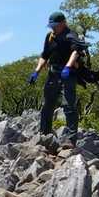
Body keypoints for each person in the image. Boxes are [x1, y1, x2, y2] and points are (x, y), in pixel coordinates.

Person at [29, 11, 83, 141]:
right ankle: (44, 134)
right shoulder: (50, 37)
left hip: (67, 74)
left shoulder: (71, 35)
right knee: (48, 104)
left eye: (55, 25)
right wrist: (36, 71)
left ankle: (71, 139)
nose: (53, 28)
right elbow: (44, 55)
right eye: (51, 26)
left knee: (69, 105)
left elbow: (76, 52)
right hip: (53, 74)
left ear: (63, 23)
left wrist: (68, 67)